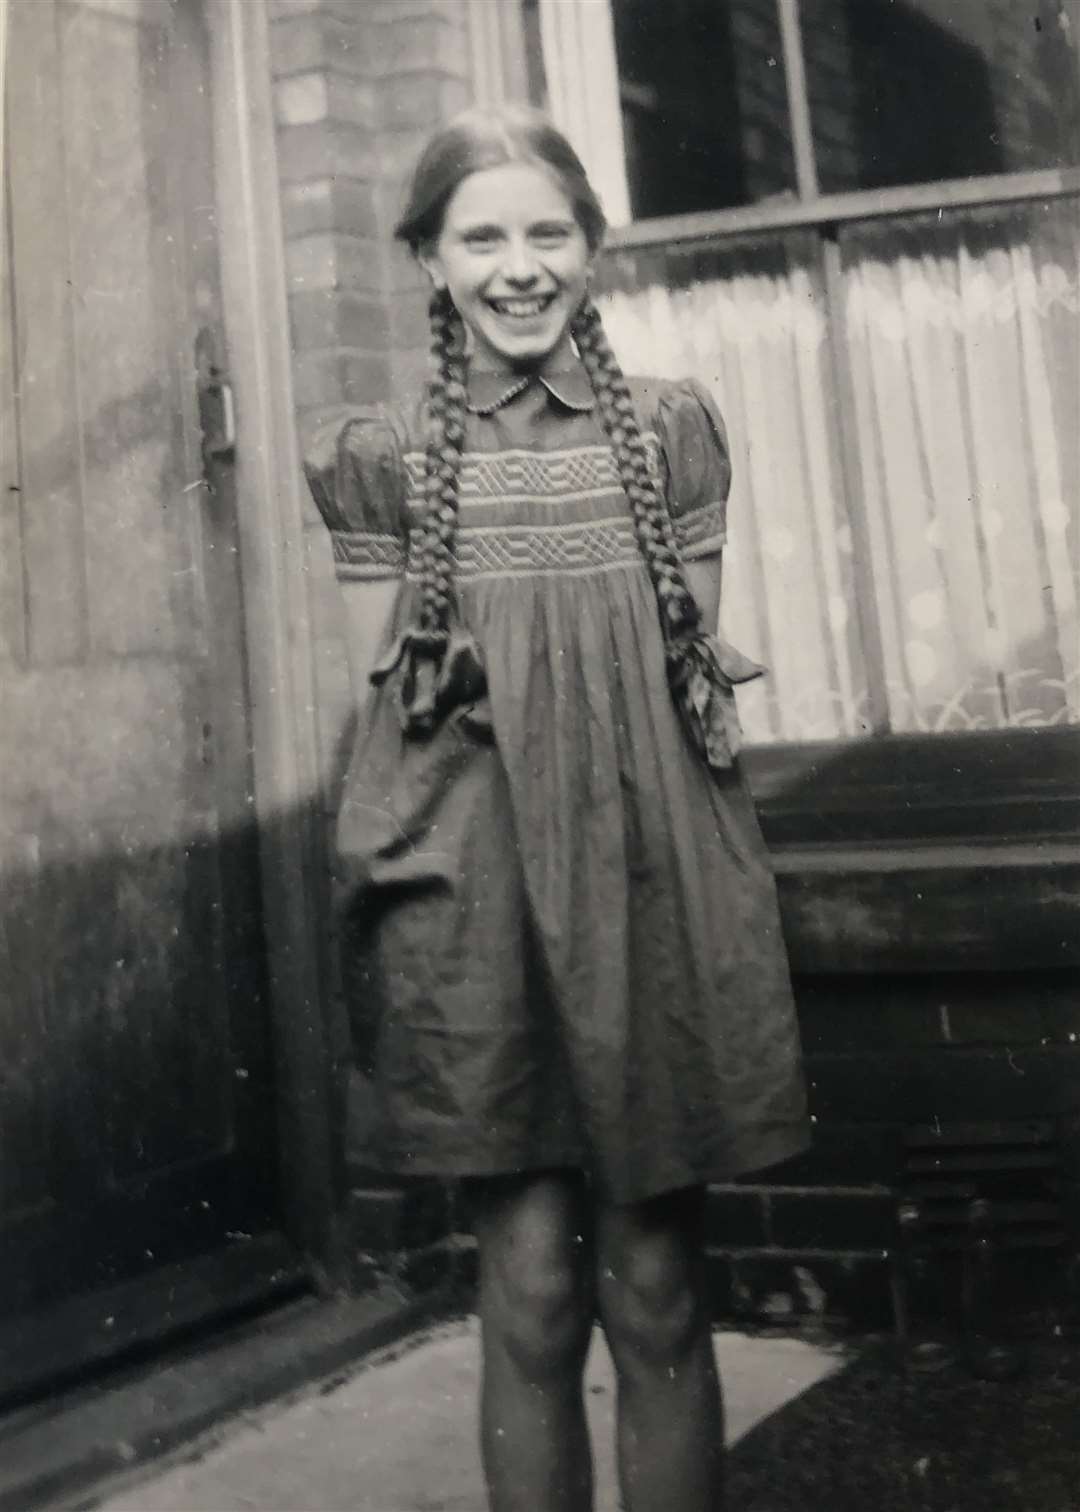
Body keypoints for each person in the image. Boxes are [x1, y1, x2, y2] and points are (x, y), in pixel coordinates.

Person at [304, 104, 809, 1512]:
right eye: (482, 237)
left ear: (594, 247)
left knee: (654, 1289)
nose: (518, 266)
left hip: (653, 901)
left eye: (548, 232)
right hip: (482, 916)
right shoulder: (382, 460)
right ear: (428, 257)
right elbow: (402, 729)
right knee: (526, 1295)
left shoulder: (672, 432)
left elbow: (685, 718)